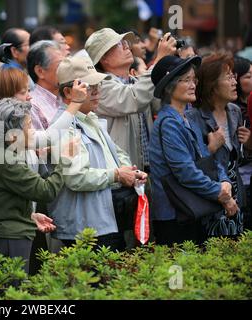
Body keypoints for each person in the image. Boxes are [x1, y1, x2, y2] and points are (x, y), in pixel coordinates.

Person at [47, 56, 147, 251]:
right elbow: (76, 177)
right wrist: (117, 174)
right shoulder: (65, 126)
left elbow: (118, 155)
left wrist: (130, 172)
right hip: (85, 228)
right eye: (88, 86)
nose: (96, 91)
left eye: (98, 85)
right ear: (68, 92)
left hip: (101, 221)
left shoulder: (90, 118)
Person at [0, 98, 78, 274]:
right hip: (4, 239)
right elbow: (46, 191)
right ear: (13, 135)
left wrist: (29, 215)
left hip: (2, 236)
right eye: (29, 126)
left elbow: (0, 202)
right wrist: (65, 159)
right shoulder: (5, 159)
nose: (33, 131)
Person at [149, 55, 237, 245]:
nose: (193, 85)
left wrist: (224, 180)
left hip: (191, 209)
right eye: (186, 80)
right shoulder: (169, 123)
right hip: (174, 214)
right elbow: (185, 172)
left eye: (193, 79)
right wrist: (220, 193)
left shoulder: (186, 117)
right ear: (169, 87)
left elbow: (206, 160)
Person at [84, 27, 176, 172]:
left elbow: (162, 102)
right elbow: (134, 98)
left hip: (146, 172)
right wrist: (160, 60)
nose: (127, 45)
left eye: (125, 42)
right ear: (103, 58)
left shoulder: (135, 82)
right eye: (119, 44)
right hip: (120, 176)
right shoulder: (99, 87)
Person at [187, 53, 252, 231]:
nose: (234, 82)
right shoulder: (194, 117)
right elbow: (191, 165)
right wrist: (210, 148)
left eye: (234, 76)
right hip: (212, 195)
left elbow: (238, 156)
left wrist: (248, 144)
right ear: (212, 85)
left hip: (236, 192)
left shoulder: (234, 111)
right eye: (228, 77)